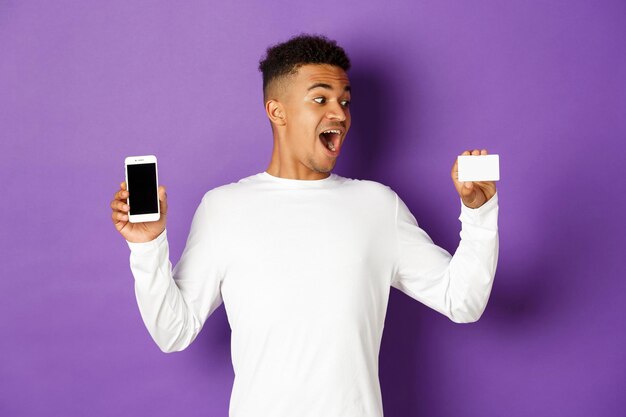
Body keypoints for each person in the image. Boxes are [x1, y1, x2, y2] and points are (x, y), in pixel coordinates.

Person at [110, 34, 499, 417]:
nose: (340, 114)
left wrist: (479, 215)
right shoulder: (223, 208)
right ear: (277, 111)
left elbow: (461, 301)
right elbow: (173, 332)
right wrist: (147, 246)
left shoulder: (378, 206)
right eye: (320, 99)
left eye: (344, 101)